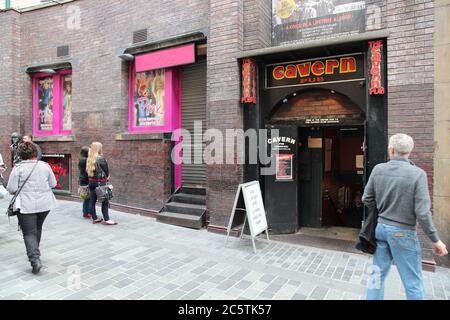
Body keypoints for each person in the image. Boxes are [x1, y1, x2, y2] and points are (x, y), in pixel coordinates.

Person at [362, 133, 448, 300]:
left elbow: (367, 198)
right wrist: (436, 240)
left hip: (380, 230)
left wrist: (382, 208)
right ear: (410, 151)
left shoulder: (378, 169)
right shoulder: (418, 174)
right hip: (403, 233)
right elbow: (423, 213)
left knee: (376, 277)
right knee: (412, 282)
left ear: (391, 150)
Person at [6, 142, 57, 274]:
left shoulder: (18, 169)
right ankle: (35, 252)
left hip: (25, 205)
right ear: (35, 152)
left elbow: (11, 188)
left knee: (29, 233)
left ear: (21, 155)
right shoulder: (45, 166)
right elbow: (53, 183)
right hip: (45, 205)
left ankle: (35, 260)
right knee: (37, 228)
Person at [87, 142, 117, 225]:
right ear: (99, 148)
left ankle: (95, 218)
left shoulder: (89, 158)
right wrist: (107, 177)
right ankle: (107, 220)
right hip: (100, 183)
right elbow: (107, 172)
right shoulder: (101, 158)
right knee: (105, 201)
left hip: (91, 182)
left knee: (92, 201)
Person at [78, 146, 91, 219]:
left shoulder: (81, 159)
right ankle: (86, 213)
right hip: (86, 180)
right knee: (88, 198)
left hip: (83, 180)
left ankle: (86, 212)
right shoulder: (85, 160)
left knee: (87, 198)